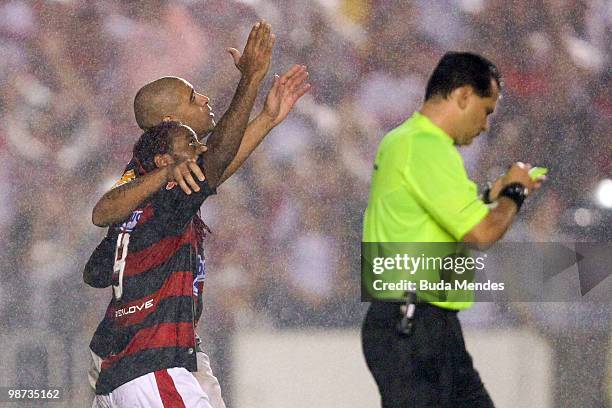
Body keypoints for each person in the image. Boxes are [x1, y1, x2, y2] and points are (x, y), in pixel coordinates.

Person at [88, 21, 276, 408]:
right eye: (193, 97)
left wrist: (268, 119)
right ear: (167, 126)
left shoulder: (146, 180)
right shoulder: (165, 187)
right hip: (151, 366)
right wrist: (251, 81)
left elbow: (95, 270)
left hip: (134, 365)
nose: (204, 98)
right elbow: (219, 156)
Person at [361, 52, 545, 408]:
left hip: (423, 324)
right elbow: (483, 233)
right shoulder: (428, 148)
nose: (486, 124)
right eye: (486, 110)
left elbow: (434, 210)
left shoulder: (405, 140)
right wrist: (515, 193)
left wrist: (492, 193)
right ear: (462, 95)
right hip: (412, 325)